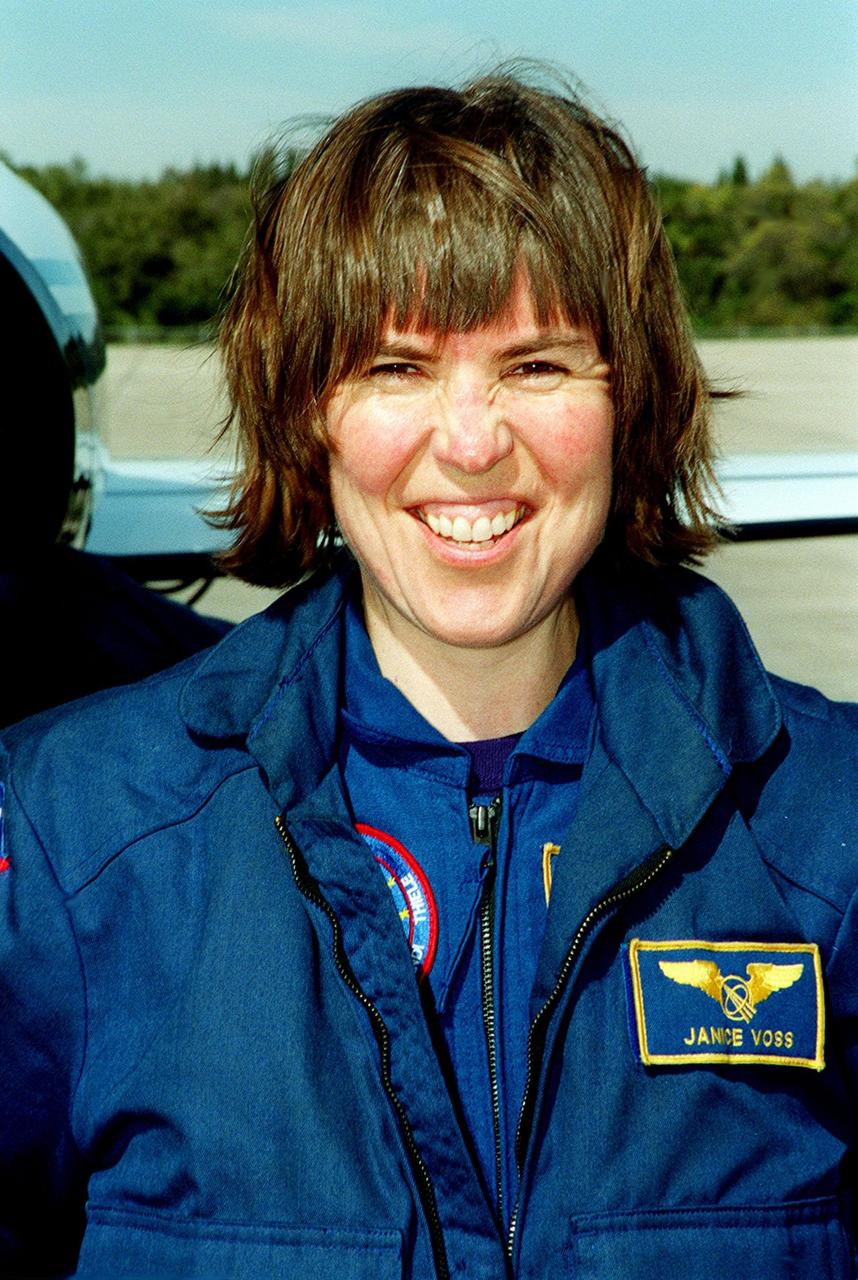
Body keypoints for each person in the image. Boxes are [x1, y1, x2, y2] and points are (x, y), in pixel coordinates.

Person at [1, 69, 856, 1280]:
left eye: (539, 365)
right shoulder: (67, 840)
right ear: (309, 410)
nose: (469, 439)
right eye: (395, 368)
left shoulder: (832, 829)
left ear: (632, 400)